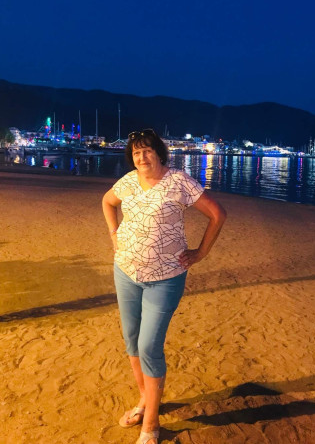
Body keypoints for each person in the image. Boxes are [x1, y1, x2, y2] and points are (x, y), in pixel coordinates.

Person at [102, 129, 227, 444]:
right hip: (126, 271)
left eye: (146, 151)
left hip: (166, 277)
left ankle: (152, 423)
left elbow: (217, 214)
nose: (141, 157)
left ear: (159, 153)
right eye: (136, 153)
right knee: (132, 341)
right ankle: (145, 400)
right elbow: (107, 201)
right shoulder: (128, 181)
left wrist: (201, 253)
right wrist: (114, 234)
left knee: (149, 346)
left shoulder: (179, 181)